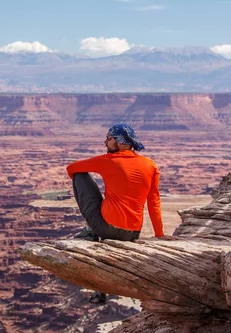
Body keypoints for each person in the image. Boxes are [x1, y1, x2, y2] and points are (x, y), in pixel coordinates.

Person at [66, 123, 176, 304]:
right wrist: (159, 235)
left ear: (119, 141)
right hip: (133, 232)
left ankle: (91, 232)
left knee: (81, 176)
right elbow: (154, 201)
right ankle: (94, 235)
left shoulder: (107, 160)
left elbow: (72, 169)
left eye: (108, 139)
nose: (105, 142)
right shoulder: (150, 165)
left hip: (106, 229)